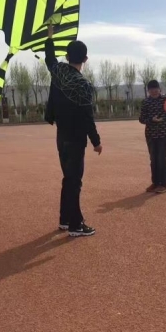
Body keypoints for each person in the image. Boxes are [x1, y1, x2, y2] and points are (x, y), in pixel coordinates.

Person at [44, 23, 102, 237]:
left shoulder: (58, 71)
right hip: (76, 138)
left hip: (61, 135)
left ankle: (65, 219)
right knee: (74, 180)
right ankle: (76, 225)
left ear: (67, 56)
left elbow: (49, 57)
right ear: (85, 59)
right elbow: (87, 116)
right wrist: (96, 141)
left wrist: (50, 36)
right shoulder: (83, 85)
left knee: (68, 178)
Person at [139, 79, 166, 193]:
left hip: (162, 134)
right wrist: (151, 120)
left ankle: (163, 184)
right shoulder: (145, 102)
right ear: (148, 91)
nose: (154, 91)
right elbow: (141, 119)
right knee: (153, 160)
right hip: (150, 135)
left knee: (161, 159)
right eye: (151, 90)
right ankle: (155, 183)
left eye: (156, 89)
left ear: (159, 89)